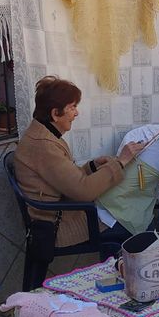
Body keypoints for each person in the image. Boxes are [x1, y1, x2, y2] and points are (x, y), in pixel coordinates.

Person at [13, 76, 144, 249]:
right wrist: (121, 161)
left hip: (60, 212)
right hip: (58, 225)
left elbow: (67, 179)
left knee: (126, 214)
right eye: (72, 107)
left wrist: (92, 166)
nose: (76, 113)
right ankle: (117, 271)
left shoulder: (41, 135)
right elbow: (83, 191)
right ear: (55, 114)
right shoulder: (44, 145)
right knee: (135, 226)